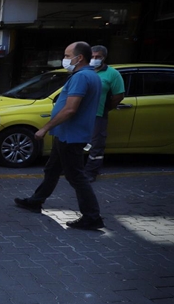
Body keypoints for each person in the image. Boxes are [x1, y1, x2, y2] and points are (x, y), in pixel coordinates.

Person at [14, 41, 104, 230]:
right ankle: (36, 200)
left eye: (67, 55)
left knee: (76, 176)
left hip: (71, 135)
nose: (64, 59)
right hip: (66, 134)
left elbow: (70, 109)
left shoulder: (82, 77)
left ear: (79, 58)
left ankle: (92, 216)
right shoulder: (89, 75)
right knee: (52, 169)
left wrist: (45, 128)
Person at [84, 45, 125, 182]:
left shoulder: (112, 74)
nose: (94, 59)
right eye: (92, 56)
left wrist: (106, 108)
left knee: (96, 144)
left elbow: (119, 95)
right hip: (80, 114)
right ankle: (73, 168)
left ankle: (91, 172)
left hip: (98, 114)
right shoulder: (84, 71)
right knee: (76, 142)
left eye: (98, 57)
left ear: (104, 58)